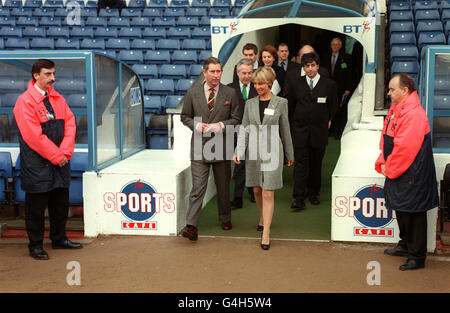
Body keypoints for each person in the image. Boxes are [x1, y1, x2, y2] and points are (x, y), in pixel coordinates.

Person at [13, 59, 81, 260]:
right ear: (36, 75)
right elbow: (34, 137)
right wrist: (57, 156)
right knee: (36, 207)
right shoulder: (25, 102)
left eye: (53, 74)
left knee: (60, 203)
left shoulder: (58, 99)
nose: (53, 78)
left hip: (60, 162)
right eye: (48, 74)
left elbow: (70, 124)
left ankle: (59, 239)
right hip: (37, 164)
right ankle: (35, 245)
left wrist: (65, 153)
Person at [375, 73, 438, 271]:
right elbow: (386, 138)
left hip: (412, 172)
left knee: (414, 213)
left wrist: (390, 168)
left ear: (405, 90)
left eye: (392, 89)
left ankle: (417, 256)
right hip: (400, 169)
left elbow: (405, 148)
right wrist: (383, 161)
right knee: (402, 210)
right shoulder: (396, 109)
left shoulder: (414, 114)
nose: (388, 93)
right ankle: (405, 245)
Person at [180, 57, 241, 241]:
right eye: (212, 71)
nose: (216, 75)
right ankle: (191, 226)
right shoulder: (193, 92)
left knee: (223, 187)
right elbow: (185, 116)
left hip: (222, 147)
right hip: (199, 148)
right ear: (204, 72)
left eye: (219, 71)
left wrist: (222, 125)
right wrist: (195, 126)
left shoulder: (230, 93)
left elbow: (237, 118)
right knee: (198, 188)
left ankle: (225, 218)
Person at [234, 66, 294, 250]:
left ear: (270, 82)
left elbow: (285, 129)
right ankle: (262, 216)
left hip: (273, 151)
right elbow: (244, 128)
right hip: (253, 152)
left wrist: (289, 153)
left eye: (261, 83)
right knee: (257, 190)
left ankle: (266, 232)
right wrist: (239, 150)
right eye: (255, 84)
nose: (258, 87)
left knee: (268, 191)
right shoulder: (250, 103)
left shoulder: (281, 102)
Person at [285, 52, 337, 210]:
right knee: (300, 165)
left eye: (313, 65)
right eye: (307, 66)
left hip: (319, 132)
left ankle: (314, 193)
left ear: (318, 66)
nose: (310, 69)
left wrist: (328, 120)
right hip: (300, 131)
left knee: (316, 164)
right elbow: (291, 105)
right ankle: (298, 198)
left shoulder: (329, 84)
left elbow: (333, 106)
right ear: (303, 67)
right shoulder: (296, 83)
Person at [227, 58, 257, 208]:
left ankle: (253, 192)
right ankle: (238, 198)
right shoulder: (228, 89)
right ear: (238, 73)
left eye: (249, 73)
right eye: (244, 73)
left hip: (254, 132)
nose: (247, 76)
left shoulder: (258, 87)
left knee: (253, 164)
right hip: (236, 132)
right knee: (239, 166)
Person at [321, 37, 353, 139]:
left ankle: (338, 132)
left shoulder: (346, 57)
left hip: (341, 88)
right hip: (328, 88)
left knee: (339, 110)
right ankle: (329, 131)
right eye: (333, 44)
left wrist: (348, 88)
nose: (335, 46)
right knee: (328, 108)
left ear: (340, 46)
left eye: (337, 45)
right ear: (331, 46)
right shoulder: (325, 57)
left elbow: (349, 74)